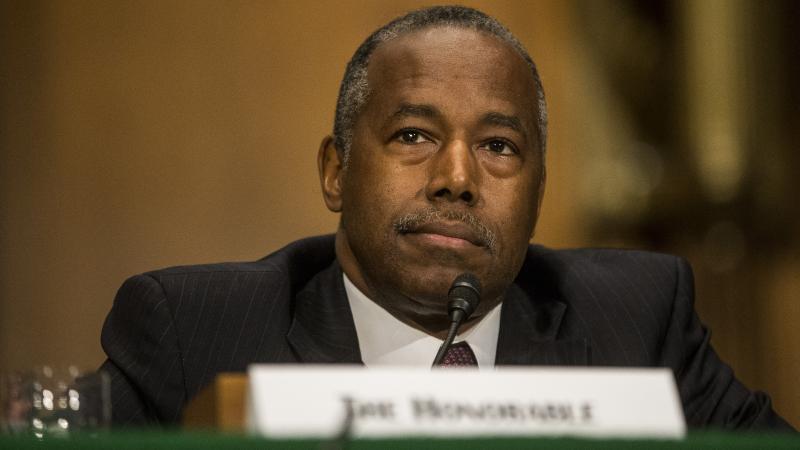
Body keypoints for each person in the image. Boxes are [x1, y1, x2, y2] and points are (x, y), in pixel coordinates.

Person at [99, 5, 795, 430]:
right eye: (413, 136)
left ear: (538, 193)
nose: (457, 180)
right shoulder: (193, 331)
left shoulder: (639, 322)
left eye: (498, 147)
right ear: (335, 171)